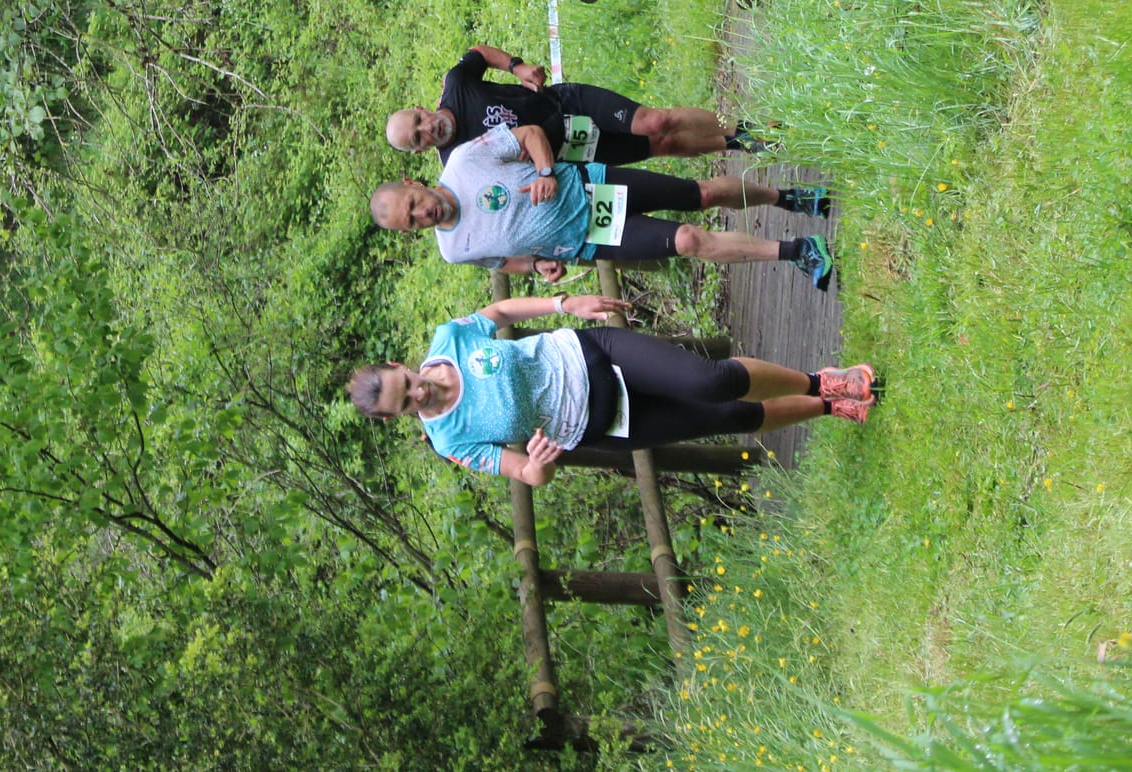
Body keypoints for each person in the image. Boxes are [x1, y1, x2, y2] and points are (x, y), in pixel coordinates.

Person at [347, 291, 877, 483]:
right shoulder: (450, 441)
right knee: (728, 420)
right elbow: (526, 475)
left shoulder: (449, 340)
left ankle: (823, 379)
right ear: (397, 418)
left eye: (409, 383)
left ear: (401, 364)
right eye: (407, 405)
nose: (419, 395)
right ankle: (828, 408)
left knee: (710, 381)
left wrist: (564, 304)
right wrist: (537, 463)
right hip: (599, 424)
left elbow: (499, 311)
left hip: (591, 355)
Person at [369, 122, 836, 289]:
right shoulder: (453, 250)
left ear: (414, 182)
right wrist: (536, 267)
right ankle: (799, 251)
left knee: (701, 195)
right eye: (410, 222)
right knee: (688, 240)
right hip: (589, 238)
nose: (420, 214)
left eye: (412, 203)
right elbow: (501, 261)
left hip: (591, 188)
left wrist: (547, 172)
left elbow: (531, 134)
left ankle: (787, 198)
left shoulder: (465, 160)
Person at [386, 44, 776, 165]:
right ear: (420, 150)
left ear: (421, 107)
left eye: (419, 119)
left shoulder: (456, 84)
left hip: (565, 102)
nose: (427, 128)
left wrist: (517, 67)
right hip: (570, 149)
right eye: (418, 138)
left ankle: (744, 123)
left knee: (656, 122)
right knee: (664, 145)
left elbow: (478, 52)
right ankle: (739, 141)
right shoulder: (457, 162)